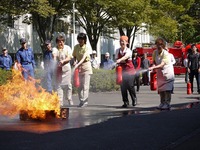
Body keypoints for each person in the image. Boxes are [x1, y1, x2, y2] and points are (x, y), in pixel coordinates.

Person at [149, 37, 174, 110]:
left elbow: (162, 64)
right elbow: (154, 62)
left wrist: (154, 67)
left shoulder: (165, 53)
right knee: (161, 89)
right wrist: (153, 65)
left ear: (162, 45)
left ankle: (167, 103)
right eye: (157, 44)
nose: (159, 46)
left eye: (160, 44)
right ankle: (162, 102)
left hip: (167, 73)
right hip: (160, 73)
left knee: (167, 89)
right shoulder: (155, 52)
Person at [115, 35, 137, 108]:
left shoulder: (129, 51)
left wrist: (120, 60)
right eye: (121, 41)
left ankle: (134, 99)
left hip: (130, 71)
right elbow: (116, 59)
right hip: (122, 72)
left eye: (123, 41)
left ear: (127, 42)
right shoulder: (117, 50)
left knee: (130, 85)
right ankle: (125, 102)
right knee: (123, 87)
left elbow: (125, 57)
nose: (122, 43)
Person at [73, 33, 93, 107]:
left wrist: (77, 64)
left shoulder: (87, 48)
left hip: (86, 66)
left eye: (82, 39)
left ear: (85, 40)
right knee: (79, 86)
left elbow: (84, 58)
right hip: (79, 68)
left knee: (85, 86)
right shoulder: (76, 47)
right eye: (79, 39)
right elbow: (74, 56)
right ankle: (81, 100)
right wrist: (75, 61)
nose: (80, 40)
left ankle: (85, 102)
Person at [52, 35, 73, 106]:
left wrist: (63, 61)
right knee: (59, 86)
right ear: (57, 43)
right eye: (59, 42)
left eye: (62, 42)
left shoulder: (68, 48)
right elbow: (54, 55)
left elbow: (69, 57)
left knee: (68, 85)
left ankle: (69, 98)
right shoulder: (55, 48)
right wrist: (54, 61)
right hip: (58, 70)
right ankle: (60, 102)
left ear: (64, 42)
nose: (60, 43)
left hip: (66, 69)